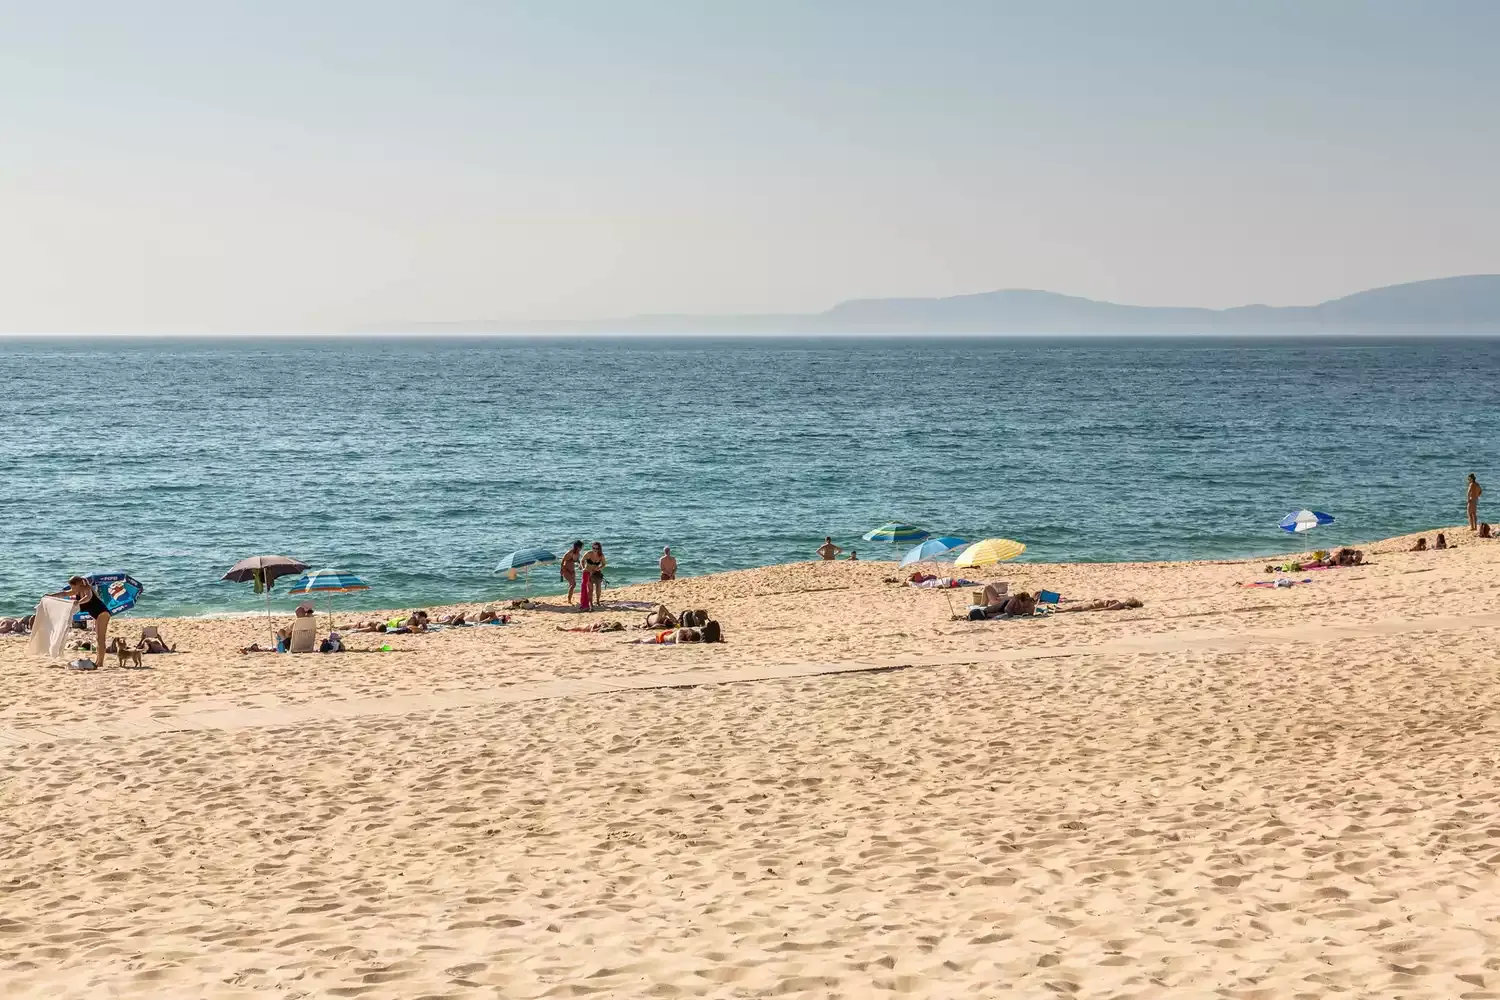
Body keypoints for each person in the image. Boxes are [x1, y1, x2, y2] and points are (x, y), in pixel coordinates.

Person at [49, 576, 111, 667]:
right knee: (98, 639)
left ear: (78, 584)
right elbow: (64, 593)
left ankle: (100, 662)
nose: (72, 589)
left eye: (73, 586)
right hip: (96, 615)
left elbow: (88, 597)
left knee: (100, 639)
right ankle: (98, 662)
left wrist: (78, 602)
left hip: (102, 613)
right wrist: (51, 596)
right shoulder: (76, 590)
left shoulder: (87, 588)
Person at [583, 542, 606, 607]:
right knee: (590, 589)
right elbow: (582, 560)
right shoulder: (588, 554)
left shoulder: (601, 555)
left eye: (596, 548)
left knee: (598, 588)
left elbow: (604, 564)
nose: (595, 549)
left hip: (597, 573)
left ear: (599, 548)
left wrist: (599, 568)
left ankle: (598, 601)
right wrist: (583, 568)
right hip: (589, 573)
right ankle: (591, 603)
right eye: (593, 548)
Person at [560, 541, 583, 605]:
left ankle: (569, 598)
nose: (581, 548)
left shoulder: (578, 553)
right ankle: (569, 600)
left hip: (572, 571)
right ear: (577, 547)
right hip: (566, 570)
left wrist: (580, 565)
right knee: (573, 584)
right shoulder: (570, 552)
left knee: (571, 585)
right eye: (580, 547)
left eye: (581, 547)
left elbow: (577, 560)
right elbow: (563, 560)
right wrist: (561, 570)